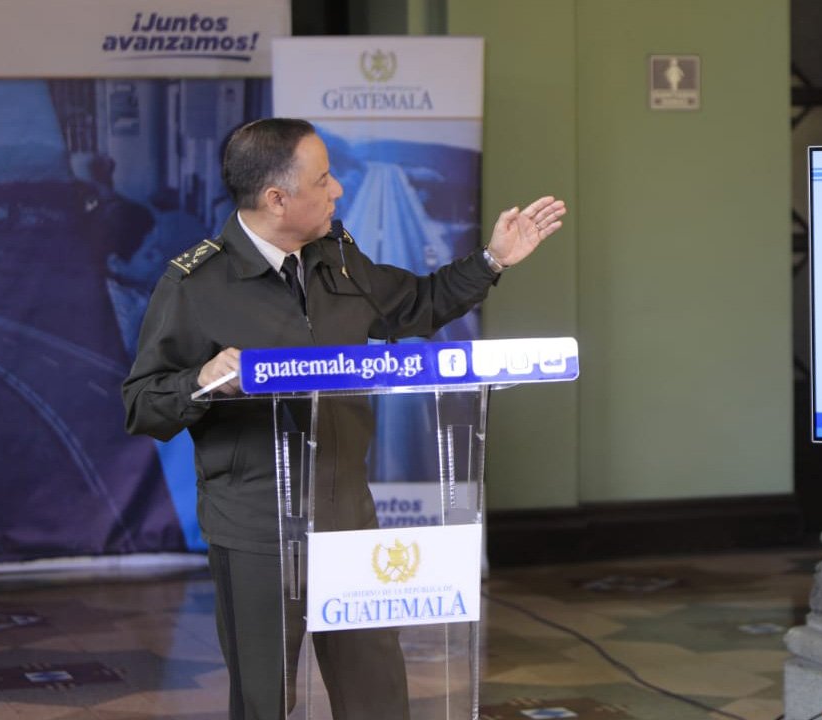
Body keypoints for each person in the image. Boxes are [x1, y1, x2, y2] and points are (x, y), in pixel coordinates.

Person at [121, 118, 565, 719]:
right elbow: (142, 404)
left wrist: (492, 259)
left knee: (375, 688)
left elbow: (420, 304)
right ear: (277, 198)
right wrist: (198, 381)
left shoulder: (340, 261)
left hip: (348, 517)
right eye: (324, 179)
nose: (338, 191)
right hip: (255, 527)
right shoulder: (197, 285)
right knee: (265, 698)